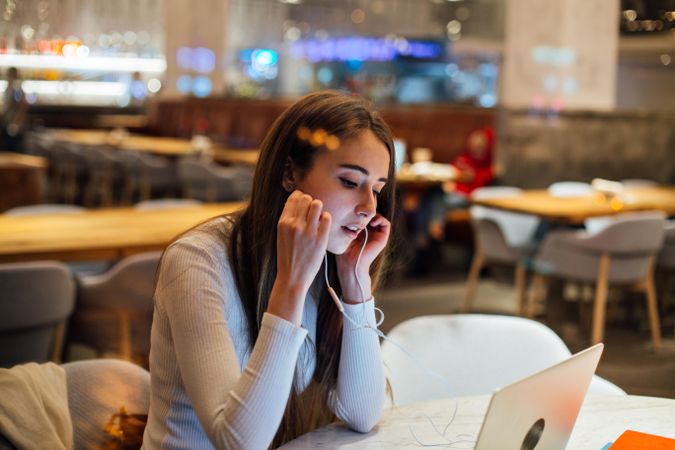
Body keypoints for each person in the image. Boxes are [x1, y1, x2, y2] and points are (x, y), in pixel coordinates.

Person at [142, 91, 396, 449]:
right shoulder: (197, 260)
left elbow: (363, 414)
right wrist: (290, 285)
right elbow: (237, 442)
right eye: (351, 183)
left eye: (378, 189)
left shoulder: (323, 261)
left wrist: (356, 283)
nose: (369, 207)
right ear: (289, 172)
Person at [410, 126, 495, 274]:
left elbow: (480, 180)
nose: (476, 144)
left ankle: (423, 242)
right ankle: (433, 228)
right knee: (432, 195)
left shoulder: (488, 165)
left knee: (433, 196)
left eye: (480, 142)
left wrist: (470, 177)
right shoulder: (465, 158)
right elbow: (452, 172)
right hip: (452, 195)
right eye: (474, 141)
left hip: (469, 199)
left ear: (488, 144)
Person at [1, 67, 28, 153]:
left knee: (15, 149)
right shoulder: (8, 89)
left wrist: (16, 123)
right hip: (7, 123)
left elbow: (22, 107)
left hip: (14, 126)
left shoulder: (17, 90)